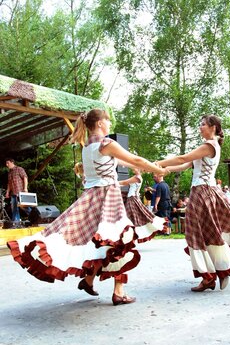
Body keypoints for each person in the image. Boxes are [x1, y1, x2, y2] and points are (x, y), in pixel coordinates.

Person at [7, 109, 166, 305]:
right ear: (99, 123)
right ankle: (118, 292)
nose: (109, 124)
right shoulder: (106, 143)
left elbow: (126, 162)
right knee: (120, 242)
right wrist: (157, 169)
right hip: (109, 200)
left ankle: (89, 281)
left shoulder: (88, 146)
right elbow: (135, 160)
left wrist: (147, 165)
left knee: (103, 242)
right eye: (107, 120)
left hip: (92, 199)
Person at [156, 114, 230, 292]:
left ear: (214, 128)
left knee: (197, 234)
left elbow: (182, 158)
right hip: (205, 192)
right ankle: (213, 273)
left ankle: (213, 273)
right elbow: (186, 165)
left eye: (203, 124)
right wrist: (167, 169)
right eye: (200, 124)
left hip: (202, 193)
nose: (200, 127)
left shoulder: (209, 146)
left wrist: (157, 163)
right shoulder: (207, 146)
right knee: (204, 233)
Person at [121, 168, 167, 242]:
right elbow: (124, 183)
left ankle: (130, 237)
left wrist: (113, 182)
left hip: (132, 199)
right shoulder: (137, 177)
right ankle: (129, 237)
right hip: (132, 199)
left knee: (130, 218)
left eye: (136, 168)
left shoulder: (136, 178)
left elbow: (124, 182)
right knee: (133, 218)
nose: (134, 168)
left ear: (139, 170)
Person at [5, 158, 31, 222]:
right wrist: (7, 192)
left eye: (8, 163)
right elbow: (9, 184)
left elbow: (25, 178)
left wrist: (25, 188)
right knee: (14, 208)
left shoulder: (19, 169)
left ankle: (35, 217)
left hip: (21, 192)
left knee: (25, 207)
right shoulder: (9, 173)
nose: (6, 165)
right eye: (6, 163)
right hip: (13, 193)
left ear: (12, 162)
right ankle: (16, 222)